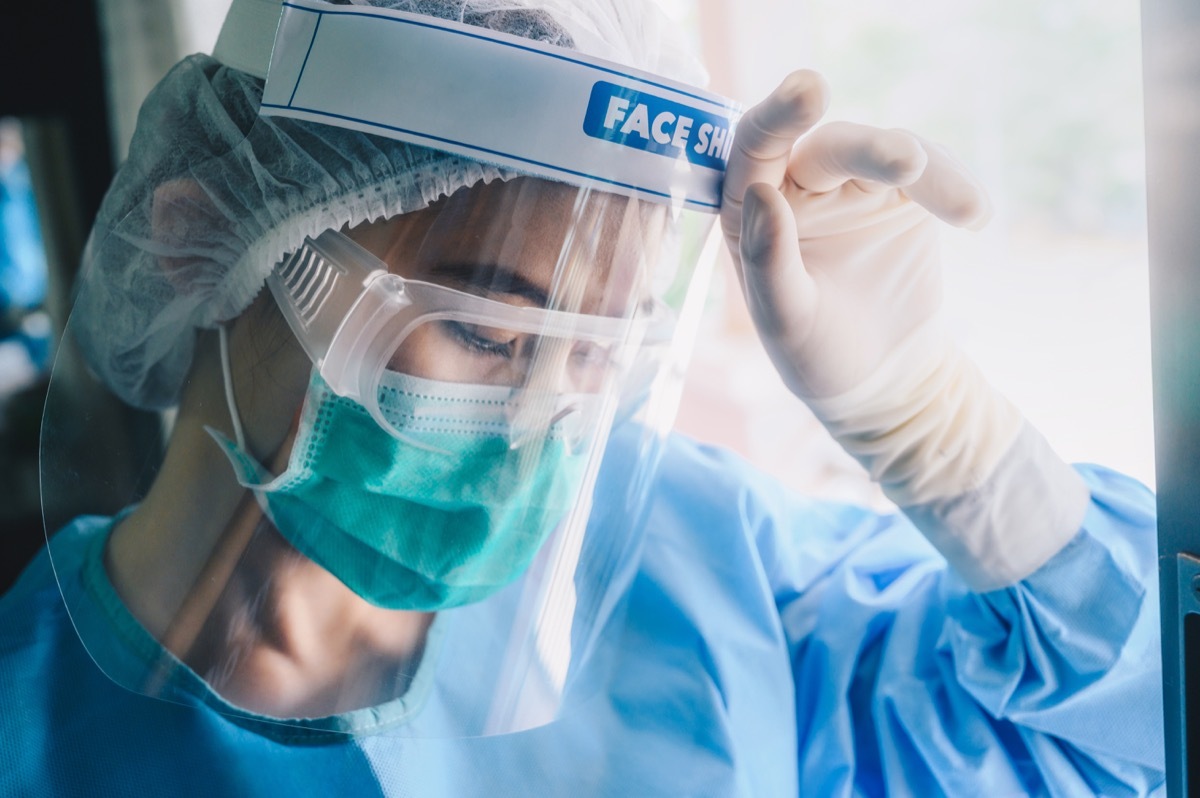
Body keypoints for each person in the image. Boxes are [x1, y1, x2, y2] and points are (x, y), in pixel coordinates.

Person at [0, 0, 1163, 795]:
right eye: (483, 330)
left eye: (603, 355)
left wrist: (943, 437)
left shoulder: (713, 580)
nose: (539, 425)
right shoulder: (26, 732)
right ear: (207, 239)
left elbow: (1131, 743)